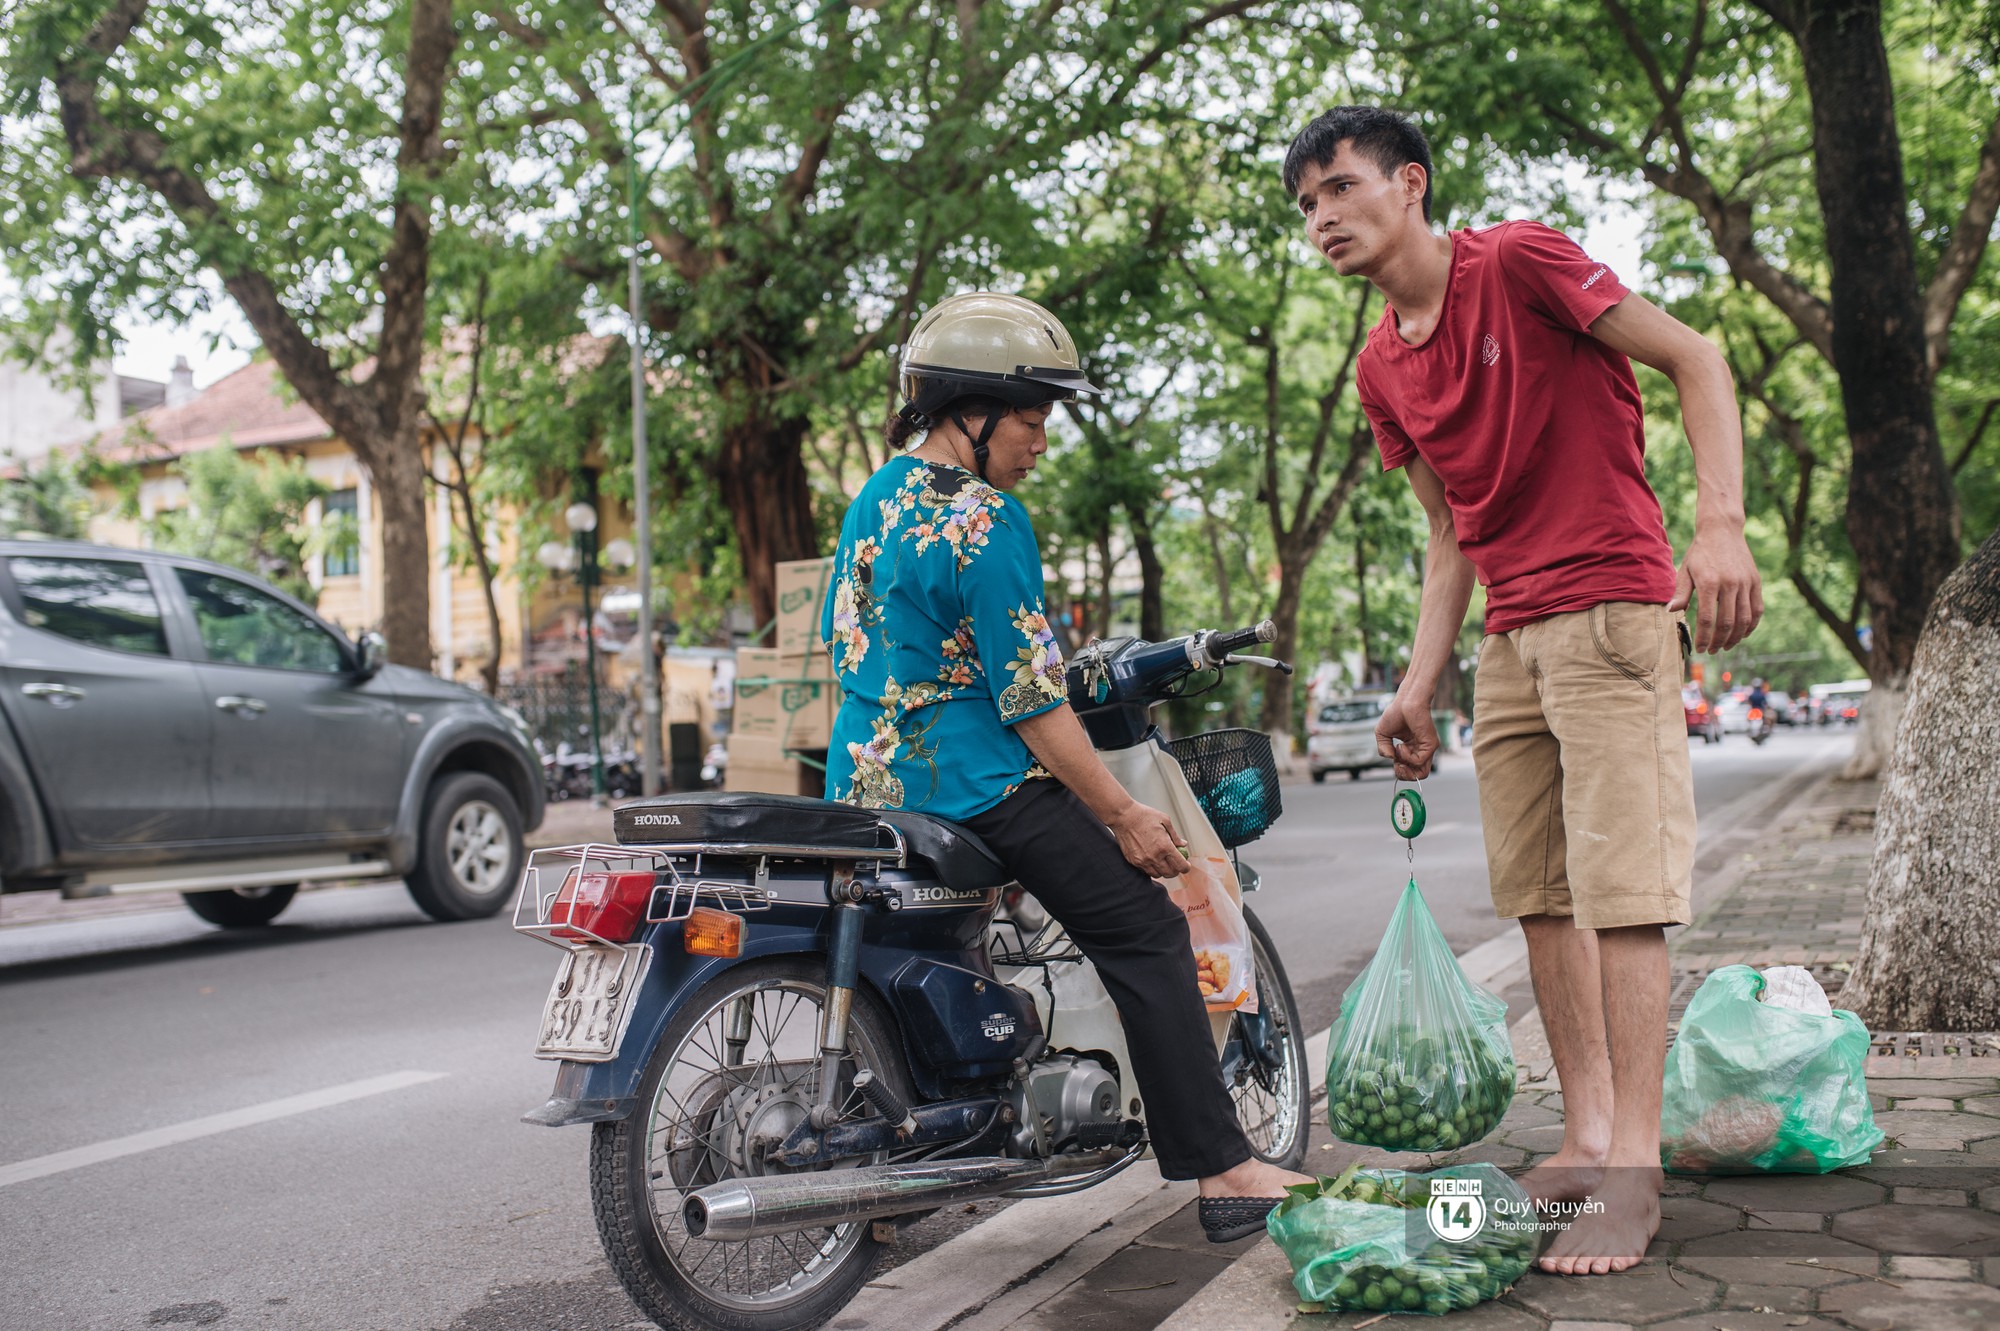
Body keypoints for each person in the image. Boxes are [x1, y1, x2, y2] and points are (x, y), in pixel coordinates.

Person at [1282, 107, 1761, 1275]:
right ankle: (1587, 1132)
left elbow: (1696, 355)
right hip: (1509, 638)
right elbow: (1448, 534)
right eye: (1304, 206)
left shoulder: (1523, 262)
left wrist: (1718, 527)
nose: (1321, 220)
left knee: (1621, 895)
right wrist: (1412, 683)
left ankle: (1634, 1175)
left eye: (1338, 190)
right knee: (1540, 899)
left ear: (1408, 183)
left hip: (1608, 608)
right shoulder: (1377, 366)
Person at [819, 291, 1310, 1240]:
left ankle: (898, 1175)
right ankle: (1225, 1168)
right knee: (1146, 930)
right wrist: (1124, 811)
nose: (1041, 441)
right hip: (975, 786)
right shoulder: (985, 522)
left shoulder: (874, 499)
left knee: (918, 954)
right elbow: (1034, 703)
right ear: (971, 410)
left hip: (867, 782)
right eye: (1031, 420)